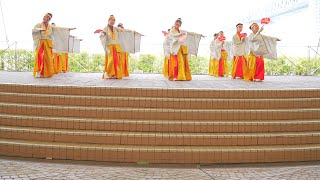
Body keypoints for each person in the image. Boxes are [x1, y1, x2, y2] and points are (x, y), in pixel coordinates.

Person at [32, 13, 54, 78]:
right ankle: (38, 71)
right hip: (41, 41)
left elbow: (59, 30)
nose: (44, 18)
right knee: (38, 54)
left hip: (48, 42)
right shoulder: (39, 24)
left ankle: (46, 72)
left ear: (49, 19)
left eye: (45, 17)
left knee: (48, 57)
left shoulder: (51, 27)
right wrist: (38, 30)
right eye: (43, 16)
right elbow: (33, 31)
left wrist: (68, 29)